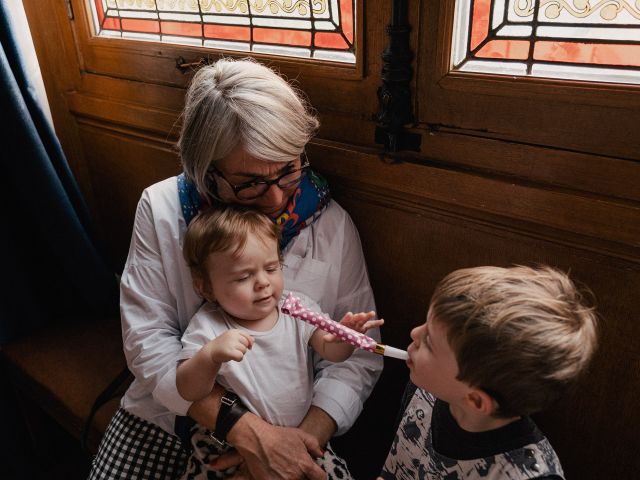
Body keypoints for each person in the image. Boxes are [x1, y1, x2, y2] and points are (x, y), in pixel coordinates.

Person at [89, 57, 383, 480]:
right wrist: (247, 432)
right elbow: (148, 342)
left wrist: (292, 444)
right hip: (170, 413)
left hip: (298, 425)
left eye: (288, 170)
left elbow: (356, 360)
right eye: (250, 184)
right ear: (207, 172)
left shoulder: (331, 224)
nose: (278, 200)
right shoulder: (163, 208)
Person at [177, 205, 383, 479]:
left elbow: (333, 352)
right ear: (205, 288)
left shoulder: (295, 309)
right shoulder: (208, 327)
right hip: (224, 445)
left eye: (272, 268)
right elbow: (187, 389)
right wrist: (209, 356)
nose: (263, 282)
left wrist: (346, 337)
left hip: (301, 437)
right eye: (243, 276)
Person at [380, 265, 598, 480]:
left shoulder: (527, 474)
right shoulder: (430, 390)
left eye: (429, 341)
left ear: (475, 400)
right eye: (425, 324)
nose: (414, 333)